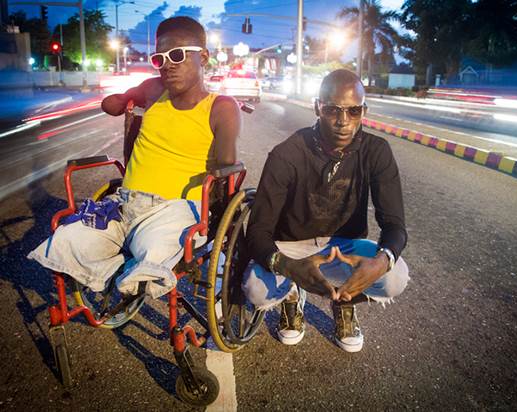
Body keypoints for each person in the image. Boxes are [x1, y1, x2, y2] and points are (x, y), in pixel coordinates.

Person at [28, 16, 241, 299]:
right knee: (67, 240)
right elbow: (111, 104)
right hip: (124, 202)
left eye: (177, 55)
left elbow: (227, 170)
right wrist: (123, 99)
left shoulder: (221, 107)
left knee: (157, 248)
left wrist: (221, 218)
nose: (167, 65)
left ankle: (135, 271)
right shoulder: (153, 89)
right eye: (159, 58)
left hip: (173, 210)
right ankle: (120, 271)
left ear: (203, 57)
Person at [244, 69, 409, 353]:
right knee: (255, 289)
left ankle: (346, 299)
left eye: (353, 111)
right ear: (317, 107)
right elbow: (258, 230)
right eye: (333, 110)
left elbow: (394, 223)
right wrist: (288, 266)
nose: (343, 121)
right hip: (292, 246)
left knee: (395, 277)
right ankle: (291, 293)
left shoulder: (376, 151)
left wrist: (382, 261)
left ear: (364, 111)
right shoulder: (287, 154)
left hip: (345, 248)